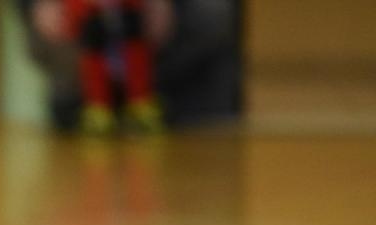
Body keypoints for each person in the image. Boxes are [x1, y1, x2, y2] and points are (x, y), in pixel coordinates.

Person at [17, 0, 240, 133]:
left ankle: (149, 100)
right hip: (80, 42)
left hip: (177, 82)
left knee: (214, 11)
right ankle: (90, 103)